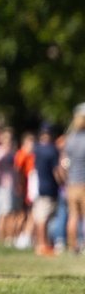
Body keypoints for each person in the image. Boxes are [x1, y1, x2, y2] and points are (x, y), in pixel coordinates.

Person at [31, 122, 62, 255]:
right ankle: (43, 245)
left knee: (40, 218)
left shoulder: (37, 148)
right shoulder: (52, 150)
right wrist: (63, 182)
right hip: (49, 187)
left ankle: (41, 244)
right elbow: (57, 171)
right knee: (44, 218)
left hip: (37, 186)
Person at [62, 103, 85, 255]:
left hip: (71, 183)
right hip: (83, 182)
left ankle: (72, 246)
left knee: (73, 216)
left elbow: (64, 163)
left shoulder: (69, 139)